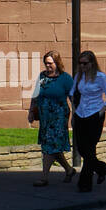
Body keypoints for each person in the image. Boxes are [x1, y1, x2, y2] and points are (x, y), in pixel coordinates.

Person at [70, 51, 106, 191]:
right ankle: (101, 169)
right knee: (83, 149)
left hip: (94, 115)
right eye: (80, 63)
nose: (82, 66)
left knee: (90, 150)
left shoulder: (101, 77)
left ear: (92, 63)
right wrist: (74, 110)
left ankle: (84, 184)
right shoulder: (79, 77)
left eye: (85, 63)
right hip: (80, 114)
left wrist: (99, 113)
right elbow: (72, 93)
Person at [29, 50, 76, 185]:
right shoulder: (42, 76)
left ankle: (44, 177)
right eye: (46, 63)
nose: (47, 66)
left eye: (50, 63)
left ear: (57, 62)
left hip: (59, 117)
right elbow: (35, 95)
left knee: (49, 145)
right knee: (52, 146)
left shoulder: (65, 78)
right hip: (45, 117)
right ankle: (69, 170)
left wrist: (76, 115)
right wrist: (31, 111)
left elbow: (73, 98)